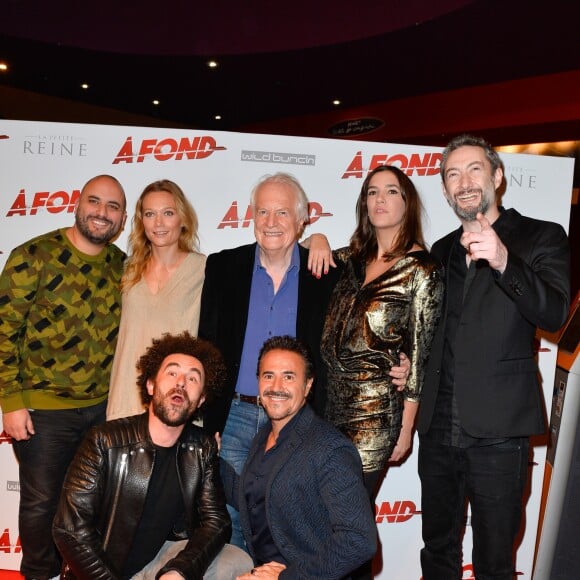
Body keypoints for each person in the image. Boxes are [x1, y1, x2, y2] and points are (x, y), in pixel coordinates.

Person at [416, 134, 570, 579]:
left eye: (474, 170)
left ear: (497, 177)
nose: (463, 182)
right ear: (445, 190)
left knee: (495, 561)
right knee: (437, 551)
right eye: (452, 174)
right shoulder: (441, 251)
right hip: (440, 426)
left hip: (501, 432)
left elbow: (555, 313)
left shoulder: (541, 236)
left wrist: (505, 261)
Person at [0, 174, 127, 580]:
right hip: (43, 409)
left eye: (113, 207)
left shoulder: (121, 266)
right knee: (40, 504)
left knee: (89, 505)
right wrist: (11, 401)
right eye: (95, 202)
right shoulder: (33, 255)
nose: (102, 213)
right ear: (77, 203)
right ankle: (40, 575)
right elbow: (4, 332)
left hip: (102, 409)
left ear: (122, 219)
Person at [53, 331, 253, 580]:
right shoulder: (104, 440)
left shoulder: (202, 448)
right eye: (172, 373)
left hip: (157, 565)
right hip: (100, 572)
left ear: (201, 399)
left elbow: (216, 521)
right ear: (150, 385)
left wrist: (181, 569)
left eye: (193, 379)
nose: (181, 382)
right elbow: (69, 529)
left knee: (236, 560)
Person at [321, 165, 444, 499]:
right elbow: (305, 256)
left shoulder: (422, 270)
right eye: (372, 191)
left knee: (351, 517)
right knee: (325, 517)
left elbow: (419, 357)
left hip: (374, 414)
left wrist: (405, 429)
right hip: (326, 407)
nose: (380, 199)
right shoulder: (351, 259)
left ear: (407, 203)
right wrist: (314, 238)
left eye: (391, 191)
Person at [223, 335, 377, 579]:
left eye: (289, 377)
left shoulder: (330, 448)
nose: (276, 387)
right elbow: (255, 497)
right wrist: (211, 459)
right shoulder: (263, 437)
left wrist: (287, 578)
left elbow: (358, 540)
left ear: (307, 386)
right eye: (268, 375)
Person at [107, 179, 206, 420]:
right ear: (142, 222)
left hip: (176, 401)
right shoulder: (125, 268)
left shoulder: (204, 269)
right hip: (126, 396)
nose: (159, 223)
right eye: (150, 214)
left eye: (168, 213)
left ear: (182, 219)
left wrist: (313, 241)